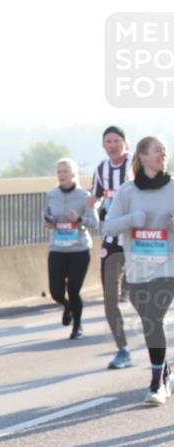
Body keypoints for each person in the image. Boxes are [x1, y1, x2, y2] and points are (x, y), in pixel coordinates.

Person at [101, 136, 174, 406]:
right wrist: (132, 220)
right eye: (158, 150)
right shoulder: (128, 192)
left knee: (154, 317)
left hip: (168, 266)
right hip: (138, 268)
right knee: (148, 323)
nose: (163, 154)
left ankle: (156, 383)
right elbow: (108, 227)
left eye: (165, 151)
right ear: (143, 156)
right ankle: (164, 369)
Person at [90, 126, 134, 368]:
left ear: (126, 143)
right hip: (112, 239)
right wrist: (92, 204)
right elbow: (95, 197)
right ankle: (123, 349)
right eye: (108, 141)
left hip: (140, 240)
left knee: (148, 299)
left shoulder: (137, 165)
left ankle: (158, 355)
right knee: (109, 298)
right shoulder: (101, 169)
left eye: (117, 140)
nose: (112, 145)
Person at [45, 157, 97, 340]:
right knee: (56, 292)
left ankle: (77, 326)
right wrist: (49, 222)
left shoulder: (84, 197)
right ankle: (66, 305)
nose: (61, 175)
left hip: (79, 250)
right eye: (59, 172)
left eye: (65, 171)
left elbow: (94, 222)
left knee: (74, 290)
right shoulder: (51, 194)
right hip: (57, 249)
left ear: (74, 174)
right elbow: (47, 215)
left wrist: (79, 220)